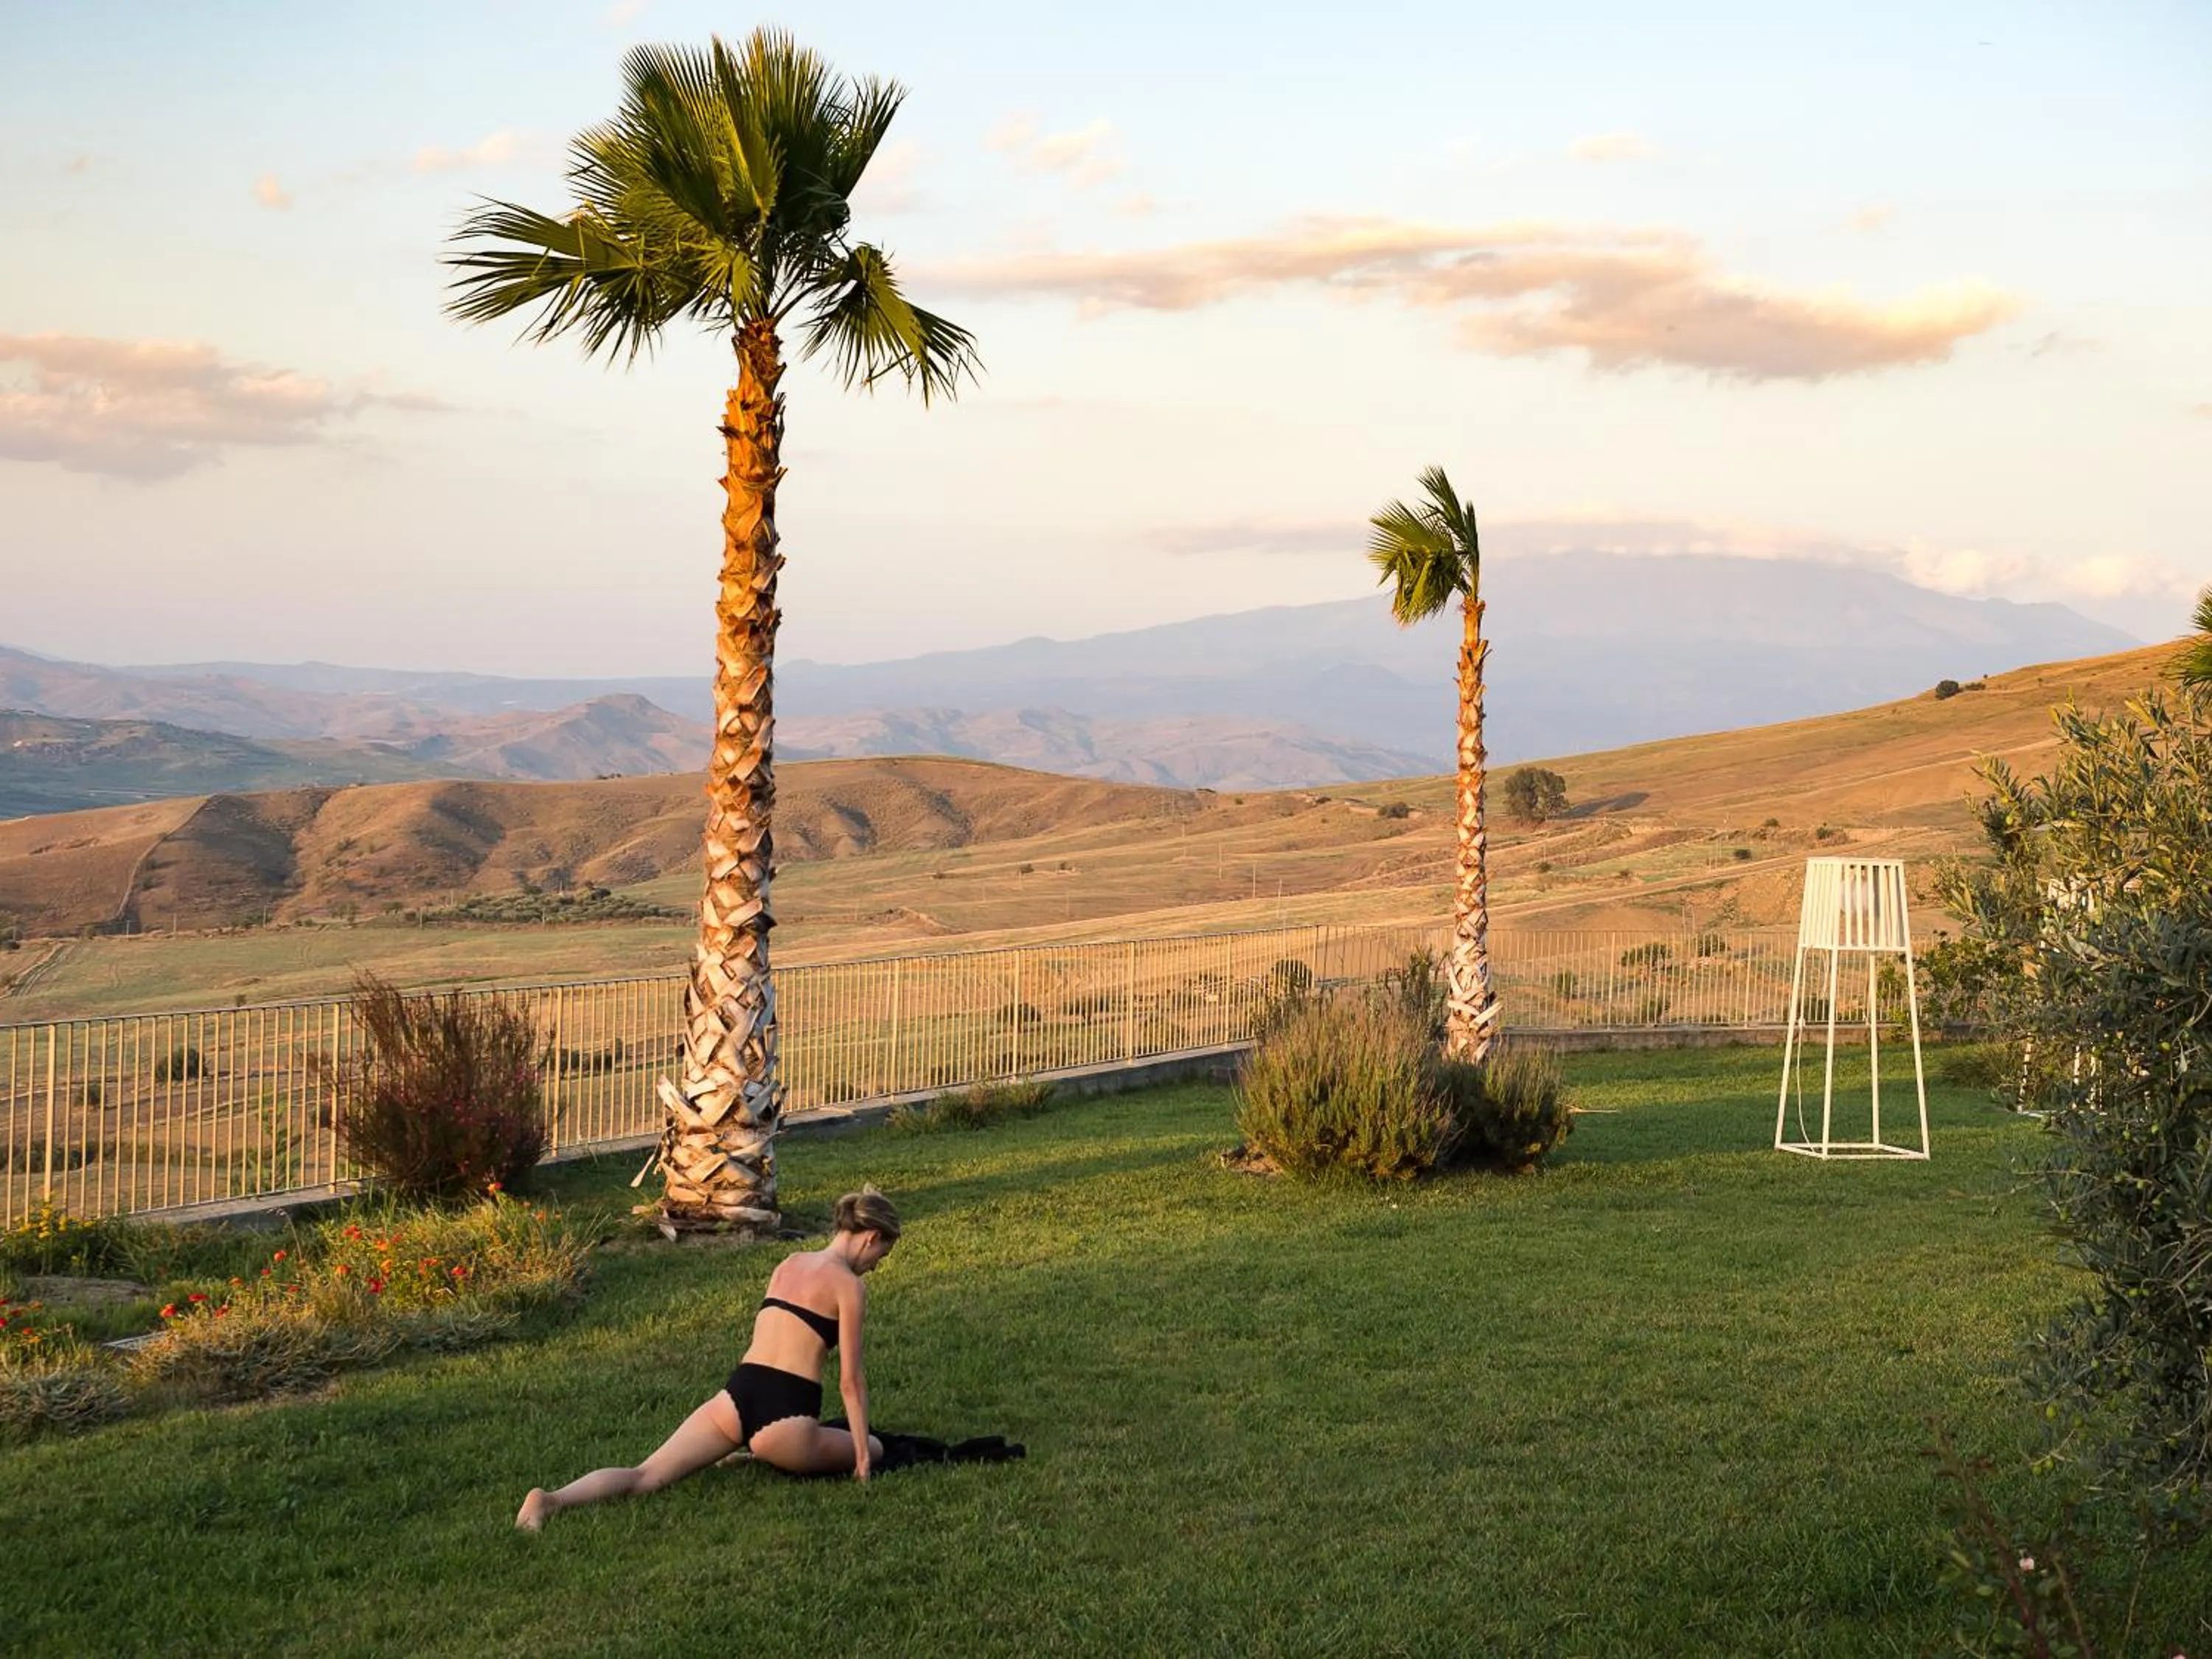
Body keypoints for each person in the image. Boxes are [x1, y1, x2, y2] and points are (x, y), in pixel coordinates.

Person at [515, 1187, 901, 1531]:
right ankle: (765, 1452)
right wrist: (863, 1459)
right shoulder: (849, 1287)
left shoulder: (790, 1263)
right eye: (883, 1253)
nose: (878, 1264)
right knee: (878, 1446)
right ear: (870, 1238)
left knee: (645, 1475)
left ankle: (549, 1500)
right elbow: (850, 1381)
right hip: (788, 1416)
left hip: (736, 1396)